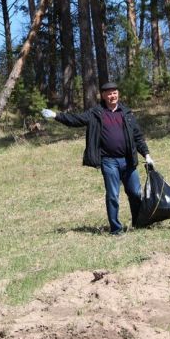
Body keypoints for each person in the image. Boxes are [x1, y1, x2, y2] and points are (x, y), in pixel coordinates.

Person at [41, 82, 154, 236]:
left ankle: (139, 222)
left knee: (135, 192)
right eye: (108, 93)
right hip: (108, 161)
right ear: (103, 96)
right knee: (113, 195)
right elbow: (76, 119)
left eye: (114, 92)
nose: (112, 96)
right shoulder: (96, 113)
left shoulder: (127, 113)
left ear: (118, 94)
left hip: (128, 160)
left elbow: (138, 137)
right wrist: (56, 116)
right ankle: (116, 229)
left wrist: (146, 155)